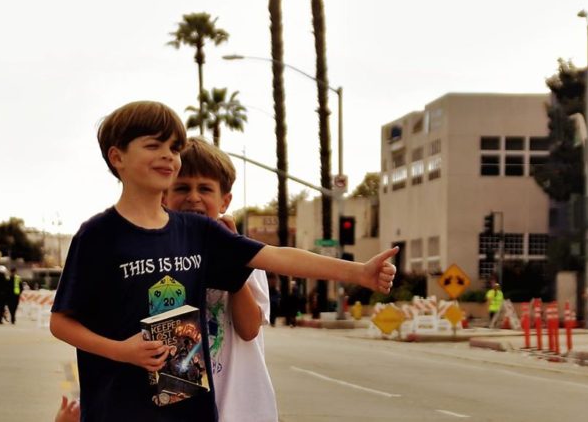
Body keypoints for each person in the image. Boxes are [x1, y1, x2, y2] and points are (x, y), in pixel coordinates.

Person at [48, 101, 396, 421]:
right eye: (154, 146)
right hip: (119, 409)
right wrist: (122, 351)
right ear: (117, 157)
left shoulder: (198, 231)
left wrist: (358, 272)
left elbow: (276, 257)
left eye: (174, 148)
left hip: (190, 408)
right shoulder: (97, 236)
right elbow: (61, 323)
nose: (168, 156)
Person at [164, 137, 277, 421]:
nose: (193, 196)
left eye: (205, 188)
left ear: (224, 200)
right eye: (181, 187)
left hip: (241, 409)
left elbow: (249, 329)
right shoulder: (158, 258)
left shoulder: (247, 256)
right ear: (163, 196)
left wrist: (231, 262)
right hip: (184, 403)